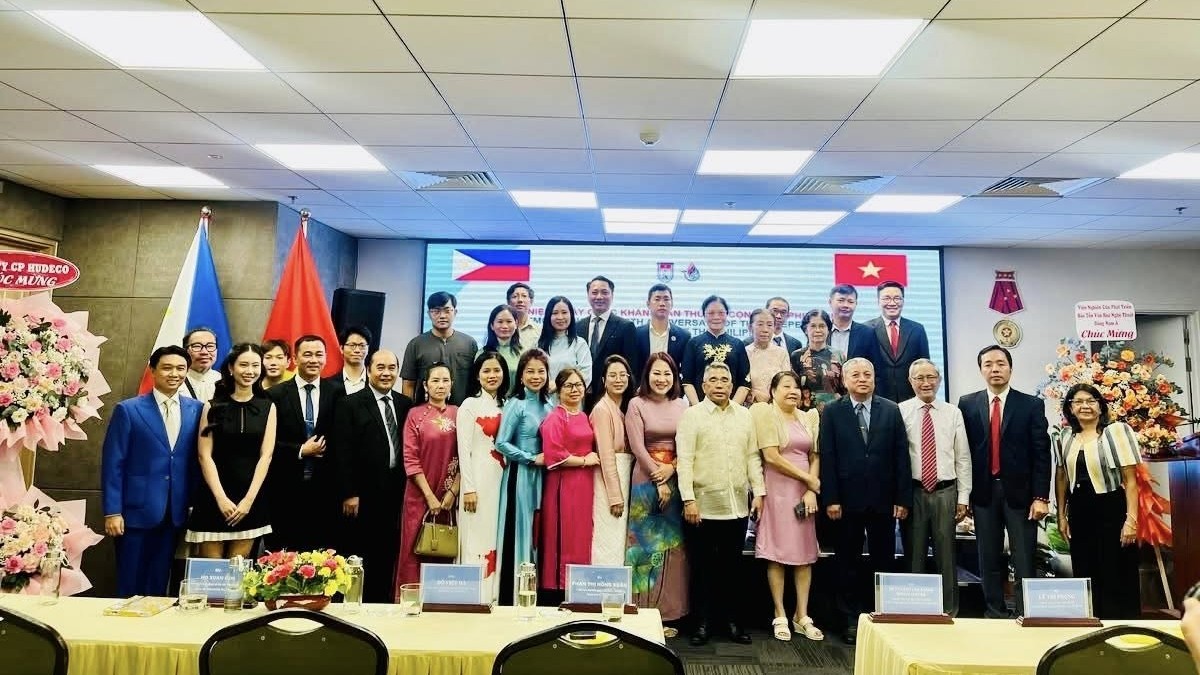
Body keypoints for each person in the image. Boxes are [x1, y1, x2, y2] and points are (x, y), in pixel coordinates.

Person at [820, 357, 912, 644]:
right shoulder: (832, 411)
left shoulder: (891, 409)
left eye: (867, 374)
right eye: (856, 375)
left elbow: (901, 456)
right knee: (847, 560)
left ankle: (881, 614)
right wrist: (831, 498)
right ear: (845, 380)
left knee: (883, 558)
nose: (862, 379)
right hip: (846, 501)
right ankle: (850, 619)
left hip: (883, 499)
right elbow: (828, 457)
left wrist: (902, 498)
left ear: (874, 378)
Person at [101, 346, 203, 597]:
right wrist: (113, 511)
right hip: (134, 511)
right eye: (167, 368)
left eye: (180, 368)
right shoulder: (129, 409)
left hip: (174, 511)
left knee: (159, 581)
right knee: (130, 581)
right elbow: (113, 463)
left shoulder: (197, 410)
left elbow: (196, 461)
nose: (174, 374)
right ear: (153, 370)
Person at [958, 345, 1050, 619]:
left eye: (1000, 363)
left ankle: (1026, 613)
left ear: (1010, 368)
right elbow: (963, 452)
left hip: (1021, 495)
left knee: (1024, 559)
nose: (995, 369)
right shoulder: (967, 403)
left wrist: (1041, 497)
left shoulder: (1031, 404)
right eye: (988, 364)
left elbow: (1041, 453)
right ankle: (994, 613)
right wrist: (965, 496)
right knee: (988, 558)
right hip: (983, 494)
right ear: (981, 370)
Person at [678, 362, 765, 646]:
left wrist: (759, 492)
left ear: (732, 385)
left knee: (732, 569)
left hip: (736, 506)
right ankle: (702, 624)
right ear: (703, 386)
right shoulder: (691, 416)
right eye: (713, 380)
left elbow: (752, 457)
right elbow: (684, 461)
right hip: (701, 507)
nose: (719, 384)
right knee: (702, 569)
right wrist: (688, 499)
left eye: (724, 379)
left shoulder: (744, 416)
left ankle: (732, 623)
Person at [1055, 383, 1142, 619]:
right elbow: (1061, 477)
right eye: (1078, 402)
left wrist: (1131, 520)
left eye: (1091, 401)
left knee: (1115, 567)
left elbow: (1130, 481)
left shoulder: (1116, 432)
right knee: (1085, 567)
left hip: (1111, 506)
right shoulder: (1064, 437)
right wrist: (1061, 515)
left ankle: (1121, 624)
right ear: (1070, 408)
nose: (1085, 406)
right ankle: (1091, 623)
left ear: (1100, 406)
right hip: (1079, 509)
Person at [334, 349, 413, 603]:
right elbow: (342, 452)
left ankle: (382, 604)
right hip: (363, 495)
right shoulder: (350, 404)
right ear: (368, 370)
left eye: (392, 368)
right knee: (360, 553)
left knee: (388, 553)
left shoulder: (405, 404)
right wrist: (349, 492)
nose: (386, 373)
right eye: (380, 367)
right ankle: (357, 604)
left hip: (396, 492)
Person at [186, 343, 276, 558]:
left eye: (255, 365)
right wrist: (220, 498)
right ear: (231, 368)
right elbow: (204, 455)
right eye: (243, 365)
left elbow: (266, 456)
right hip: (214, 496)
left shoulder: (268, 407)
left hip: (250, 498)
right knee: (210, 572)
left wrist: (248, 500)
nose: (249, 371)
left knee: (238, 571)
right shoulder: (212, 406)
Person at [752, 371, 823, 642]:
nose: (792, 391)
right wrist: (808, 479)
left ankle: (801, 615)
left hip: (804, 493)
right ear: (773, 391)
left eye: (795, 387)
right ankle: (779, 613)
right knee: (777, 554)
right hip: (777, 491)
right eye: (786, 386)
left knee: (804, 555)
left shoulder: (809, 416)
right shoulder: (766, 414)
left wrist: (810, 489)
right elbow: (771, 456)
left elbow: (815, 455)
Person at [899, 359, 971, 617]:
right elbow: (897, 458)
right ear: (910, 382)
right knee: (914, 555)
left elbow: (963, 457)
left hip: (946, 491)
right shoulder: (900, 411)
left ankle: (949, 612)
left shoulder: (953, 413)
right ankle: (915, 611)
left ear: (939, 380)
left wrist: (963, 497)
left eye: (931, 377)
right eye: (919, 378)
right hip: (913, 492)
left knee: (946, 556)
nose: (926, 382)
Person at [625, 352, 690, 627]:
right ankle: (642, 610)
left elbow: (687, 444)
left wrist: (671, 470)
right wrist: (659, 479)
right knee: (643, 544)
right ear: (647, 375)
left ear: (674, 377)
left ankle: (669, 613)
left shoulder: (683, 405)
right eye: (656, 373)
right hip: (645, 478)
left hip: (675, 478)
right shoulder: (636, 403)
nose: (662, 379)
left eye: (667, 374)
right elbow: (637, 447)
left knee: (672, 547)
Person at [265, 335, 340, 552]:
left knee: (320, 557)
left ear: (325, 358)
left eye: (319, 354)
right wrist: (300, 450)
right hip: (284, 489)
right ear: (295, 359)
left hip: (325, 490)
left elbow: (343, 440)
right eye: (307, 354)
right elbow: (266, 443)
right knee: (281, 555)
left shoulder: (338, 393)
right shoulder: (274, 395)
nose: (313, 360)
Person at [494, 349, 553, 604]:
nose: (536, 376)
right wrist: (530, 458)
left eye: (541, 371)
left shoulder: (550, 406)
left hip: (545, 477)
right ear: (520, 376)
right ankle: (514, 598)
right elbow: (501, 443)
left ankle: (536, 597)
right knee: (521, 531)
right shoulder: (515, 404)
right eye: (530, 371)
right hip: (520, 475)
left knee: (538, 533)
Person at [395, 363, 460, 589]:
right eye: (435, 380)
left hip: (450, 496)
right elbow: (410, 459)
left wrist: (453, 492)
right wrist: (429, 496)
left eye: (445, 380)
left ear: (452, 384)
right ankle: (410, 598)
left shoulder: (459, 413)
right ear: (425, 385)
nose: (440, 385)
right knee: (414, 548)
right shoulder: (415, 415)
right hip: (419, 494)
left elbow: (466, 456)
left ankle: (443, 599)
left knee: (446, 547)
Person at [539, 368, 598, 604]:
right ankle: (557, 592)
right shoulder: (556, 417)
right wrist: (584, 461)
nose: (574, 390)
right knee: (564, 537)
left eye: (578, 385)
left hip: (584, 486)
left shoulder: (583, 416)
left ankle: (579, 591)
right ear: (559, 391)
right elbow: (553, 455)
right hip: (563, 485)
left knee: (581, 536)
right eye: (568, 386)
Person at [456, 352, 510, 603]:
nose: (492, 375)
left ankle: (493, 597)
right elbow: (463, 450)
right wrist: (468, 488)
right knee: (475, 538)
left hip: (501, 480)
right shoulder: (469, 405)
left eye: (496, 370)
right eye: (486, 371)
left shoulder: (506, 405)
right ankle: (472, 598)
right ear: (477, 376)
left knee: (494, 538)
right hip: (477, 480)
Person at [590, 355, 633, 566]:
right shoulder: (601, 409)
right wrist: (615, 496)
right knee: (607, 535)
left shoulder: (627, 407)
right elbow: (606, 455)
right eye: (612, 375)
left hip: (625, 474)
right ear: (603, 380)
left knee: (620, 537)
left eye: (623, 375)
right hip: (607, 480)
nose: (618, 380)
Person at [402, 291, 478, 406]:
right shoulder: (416, 344)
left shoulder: (469, 343)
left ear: (455, 312)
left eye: (447, 311)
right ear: (429, 314)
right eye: (436, 311)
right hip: (425, 413)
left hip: (463, 412)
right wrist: (409, 412)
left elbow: (476, 382)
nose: (442, 316)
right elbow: (408, 385)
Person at [681, 295, 751, 406]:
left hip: (731, 408)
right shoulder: (693, 343)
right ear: (704, 315)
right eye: (711, 313)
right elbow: (687, 381)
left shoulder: (738, 344)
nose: (716, 317)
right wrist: (698, 408)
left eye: (721, 313)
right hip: (700, 407)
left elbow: (745, 381)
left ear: (727, 314)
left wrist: (733, 408)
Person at [867, 282, 931, 402]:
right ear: (878, 301)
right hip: (877, 399)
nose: (892, 303)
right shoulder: (866, 329)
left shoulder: (917, 329)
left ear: (903, 301)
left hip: (911, 398)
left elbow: (925, 366)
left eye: (897, 298)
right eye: (886, 298)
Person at [576, 276, 638, 396]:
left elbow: (631, 366)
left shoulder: (626, 327)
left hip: (612, 394)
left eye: (604, 292)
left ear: (612, 295)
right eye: (594, 292)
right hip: (580, 395)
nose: (599, 297)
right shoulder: (577, 327)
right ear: (588, 295)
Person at [827, 285, 882, 390]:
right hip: (827, 393)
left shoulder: (867, 333)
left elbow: (877, 370)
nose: (845, 305)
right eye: (841, 300)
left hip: (858, 393)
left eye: (850, 301)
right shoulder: (821, 331)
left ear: (856, 304)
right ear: (830, 302)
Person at [790, 309, 846, 411]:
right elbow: (793, 386)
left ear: (828, 329)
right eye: (813, 326)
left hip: (834, 411)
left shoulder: (838, 355)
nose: (818, 330)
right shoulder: (797, 356)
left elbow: (845, 388)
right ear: (805, 330)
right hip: (804, 412)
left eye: (822, 326)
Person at [632, 283, 690, 376]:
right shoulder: (635, 334)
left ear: (672, 304)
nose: (662, 304)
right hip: (642, 384)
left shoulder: (684, 336)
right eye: (657, 299)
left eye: (666, 299)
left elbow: (686, 370)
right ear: (648, 304)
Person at [538, 295, 591, 389]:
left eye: (564, 312)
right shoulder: (538, 344)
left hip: (571, 395)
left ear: (571, 315)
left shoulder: (579, 344)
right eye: (555, 313)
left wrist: (558, 385)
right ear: (548, 316)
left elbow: (585, 375)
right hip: (543, 395)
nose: (560, 317)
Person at [746, 308, 791, 404]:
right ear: (750, 327)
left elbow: (787, 383)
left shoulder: (782, 353)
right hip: (750, 405)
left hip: (777, 405)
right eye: (760, 324)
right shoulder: (745, 352)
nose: (765, 330)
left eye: (770, 325)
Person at [480, 304, 524, 391]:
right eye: (500, 322)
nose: (504, 326)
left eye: (509, 321)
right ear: (492, 325)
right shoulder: (482, 353)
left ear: (516, 324)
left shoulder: (524, 352)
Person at [182, 327, 222, 402]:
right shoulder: (176, 381)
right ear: (185, 351)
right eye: (197, 346)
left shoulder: (225, 382)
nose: (204, 352)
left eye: (210, 346)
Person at [329, 325, 371, 395]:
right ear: (341, 348)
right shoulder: (329, 384)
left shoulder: (375, 382)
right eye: (352, 345)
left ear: (368, 349)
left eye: (362, 346)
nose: (357, 350)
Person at [507, 282, 540, 348]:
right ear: (508, 302)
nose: (520, 300)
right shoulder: (501, 329)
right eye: (515, 296)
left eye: (524, 296)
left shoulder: (539, 331)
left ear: (531, 301)